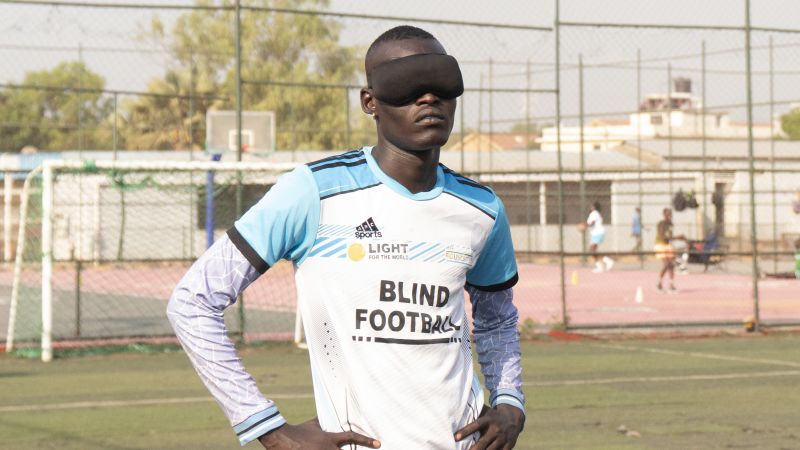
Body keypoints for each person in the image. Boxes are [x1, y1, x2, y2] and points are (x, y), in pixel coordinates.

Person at [167, 25, 525, 450]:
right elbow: (192, 301)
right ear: (370, 102)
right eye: (407, 85)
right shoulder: (312, 192)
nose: (428, 98)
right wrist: (269, 430)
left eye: (439, 84)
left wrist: (510, 402)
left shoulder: (480, 208)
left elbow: (496, 317)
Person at [654, 207, 686, 293]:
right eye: (668, 214)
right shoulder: (661, 224)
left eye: (670, 214)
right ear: (664, 215)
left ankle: (671, 285)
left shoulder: (670, 224)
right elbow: (662, 237)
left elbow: (669, 238)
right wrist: (678, 237)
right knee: (666, 264)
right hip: (660, 245)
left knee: (671, 265)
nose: (670, 216)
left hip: (668, 245)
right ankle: (659, 283)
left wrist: (678, 238)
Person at [587, 201, 613, 273]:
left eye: (592, 206)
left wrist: (585, 226)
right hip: (595, 234)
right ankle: (600, 266)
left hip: (598, 233)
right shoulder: (595, 214)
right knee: (592, 251)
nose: (590, 207)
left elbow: (592, 223)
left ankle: (607, 261)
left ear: (594, 207)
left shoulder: (594, 213)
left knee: (592, 250)